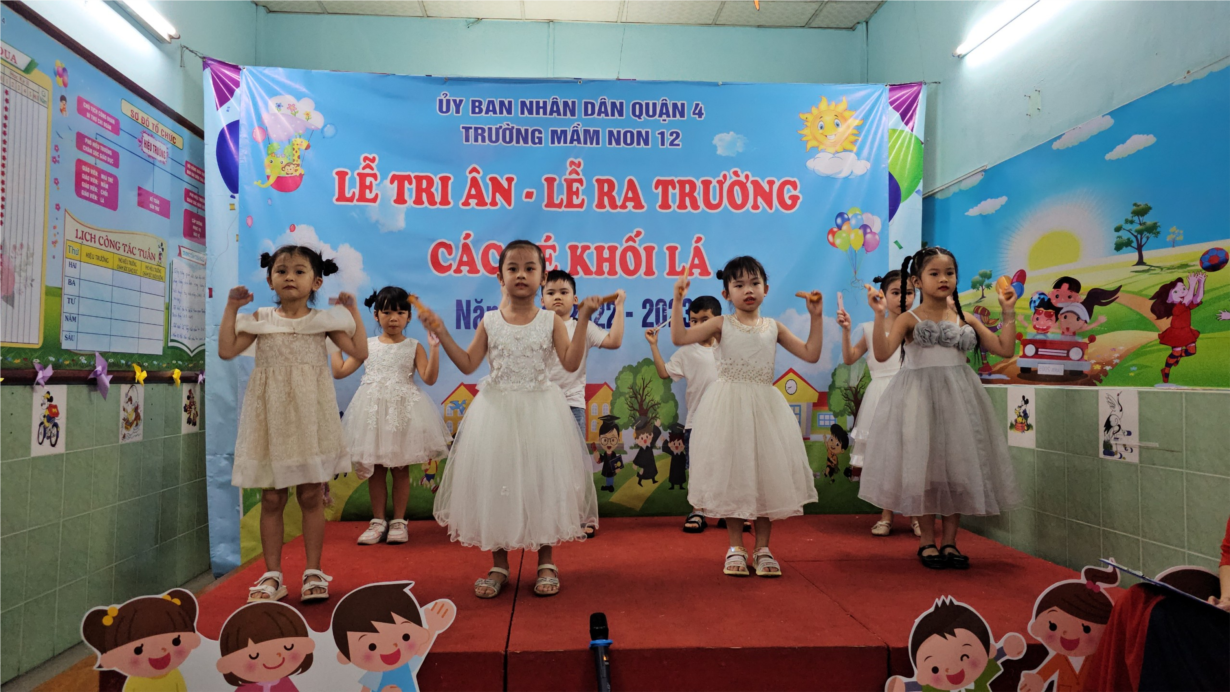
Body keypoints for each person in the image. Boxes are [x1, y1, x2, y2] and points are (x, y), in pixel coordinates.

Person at [417, 240, 599, 598]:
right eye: (512, 268)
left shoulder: (550, 320)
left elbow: (570, 362)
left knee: (542, 483)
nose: (521, 275)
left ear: (542, 278)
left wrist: (584, 320)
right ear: (500, 277)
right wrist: (444, 333)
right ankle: (499, 563)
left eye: (530, 268)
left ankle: (546, 561)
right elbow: (468, 363)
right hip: (496, 414)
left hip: (542, 412)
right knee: (497, 484)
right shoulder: (489, 321)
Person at [219, 245, 368, 603]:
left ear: (316, 281)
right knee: (271, 497)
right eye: (281, 270)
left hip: (310, 417)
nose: (289, 277)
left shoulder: (324, 321)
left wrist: (353, 312)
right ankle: (272, 575)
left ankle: (313, 571)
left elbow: (360, 352)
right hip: (270, 420)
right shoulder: (260, 318)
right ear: (270, 279)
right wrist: (231, 308)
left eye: (300, 271)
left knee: (311, 494)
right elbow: (226, 350)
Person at [859, 246, 1020, 570]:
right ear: (917, 281)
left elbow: (1004, 348)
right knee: (924, 468)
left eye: (949, 273)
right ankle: (926, 543)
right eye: (934, 273)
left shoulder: (965, 318)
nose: (943, 279)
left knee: (958, 468)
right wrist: (879, 315)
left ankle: (950, 542)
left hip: (960, 400)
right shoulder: (908, 319)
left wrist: (1008, 312)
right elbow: (882, 352)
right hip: (918, 399)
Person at [671, 256, 823, 578]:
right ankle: (736, 547)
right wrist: (678, 300)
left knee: (765, 477)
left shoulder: (774, 327)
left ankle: (763, 548)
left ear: (766, 289)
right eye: (739, 285)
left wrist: (816, 317)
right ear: (726, 293)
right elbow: (680, 338)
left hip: (766, 409)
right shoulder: (721, 324)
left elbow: (811, 353)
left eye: (754, 283)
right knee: (735, 477)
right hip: (728, 409)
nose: (748, 290)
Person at [332, 286, 452, 546]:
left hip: (402, 413)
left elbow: (429, 378)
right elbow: (339, 371)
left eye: (400, 312)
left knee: (400, 469)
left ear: (408, 316)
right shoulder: (366, 345)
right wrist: (334, 345)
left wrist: (434, 349)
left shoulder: (414, 346)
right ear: (376, 315)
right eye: (387, 312)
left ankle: (399, 521)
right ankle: (378, 521)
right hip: (372, 414)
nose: (394, 318)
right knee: (375, 469)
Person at [836, 270, 921, 537]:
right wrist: (846, 331)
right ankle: (886, 516)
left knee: (914, 456)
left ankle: (918, 516)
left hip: (913, 395)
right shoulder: (871, 327)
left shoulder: (920, 327)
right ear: (883, 295)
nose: (903, 298)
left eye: (909, 293)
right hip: (880, 396)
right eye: (896, 292)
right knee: (887, 459)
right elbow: (850, 358)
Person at [540, 269, 624, 538]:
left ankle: (580, 515)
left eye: (564, 292)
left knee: (575, 464)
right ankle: (546, 517)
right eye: (551, 292)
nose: (557, 297)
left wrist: (619, 307)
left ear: (575, 299)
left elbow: (614, 341)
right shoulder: (536, 326)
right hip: (539, 406)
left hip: (572, 404)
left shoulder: (581, 326)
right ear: (541, 299)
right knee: (541, 463)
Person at [647, 295, 722, 533]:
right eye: (693, 320)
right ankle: (698, 511)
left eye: (705, 320)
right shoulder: (687, 352)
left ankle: (727, 512)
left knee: (726, 466)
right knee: (699, 469)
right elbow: (663, 373)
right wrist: (653, 345)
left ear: (718, 320)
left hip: (726, 421)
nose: (698, 325)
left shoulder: (728, 348)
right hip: (697, 422)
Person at [1017, 564, 1120, 692]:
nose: (1069, 634)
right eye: (1053, 626)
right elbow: (1043, 675)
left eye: (1086, 629)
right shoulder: (1060, 659)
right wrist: (1037, 680)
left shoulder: (1097, 659)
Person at [82, 590, 202, 692]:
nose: (159, 651)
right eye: (138, 650)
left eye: (175, 641)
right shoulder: (134, 683)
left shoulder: (175, 675)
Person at [215, 601, 315, 691]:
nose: (273, 658)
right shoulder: (246, 689)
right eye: (253, 656)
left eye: (288, 647)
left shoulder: (287, 684)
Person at [1149, 272, 1205, 384]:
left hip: (1186, 331)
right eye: (1176, 292)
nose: (1182, 292)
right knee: (1175, 353)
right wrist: (1192, 285)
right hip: (1176, 333)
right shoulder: (1176, 307)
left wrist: (1201, 282)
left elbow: (1197, 298)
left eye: (1183, 288)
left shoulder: (1185, 303)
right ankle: (1166, 370)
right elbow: (1188, 299)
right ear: (1169, 299)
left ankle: (1178, 357)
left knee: (1192, 351)